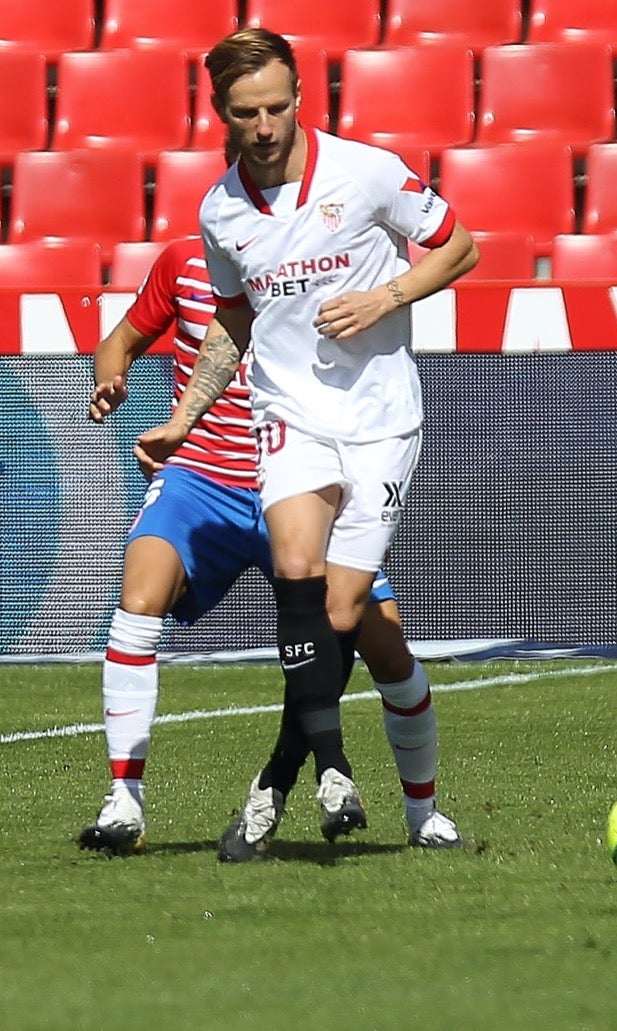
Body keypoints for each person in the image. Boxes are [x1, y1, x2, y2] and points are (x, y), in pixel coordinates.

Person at [135, 28, 478, 862]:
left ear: (299, 99)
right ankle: (333, 767)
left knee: (340, 613)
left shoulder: (365, 173)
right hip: (288, 413)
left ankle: (289, 780)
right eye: (247, 111)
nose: (264, 124)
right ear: (220, 112)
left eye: (278, 106)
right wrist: (184, 417)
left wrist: (385, 295)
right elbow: (233, 319)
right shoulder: (220, 210)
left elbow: (460, 247)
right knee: (295, 570)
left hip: (382, 420)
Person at [77, 237, 460, 859]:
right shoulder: (184, 262)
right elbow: (118, 340)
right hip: (201, 477)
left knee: (386, 648)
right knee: (137, 600)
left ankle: (423, 813)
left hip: (297, 479)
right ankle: (124, 800)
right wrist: (110, 377)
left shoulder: (322, 265)